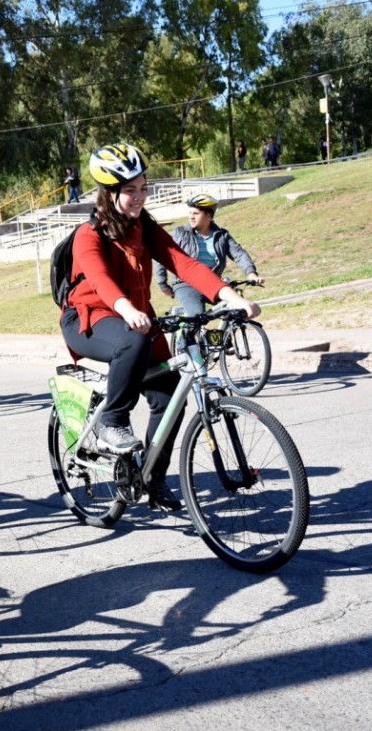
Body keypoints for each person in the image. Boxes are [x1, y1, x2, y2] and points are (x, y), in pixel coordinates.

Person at [59, 144, 260, 511]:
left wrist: (231, 297)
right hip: (89, 317)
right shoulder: (88, 235)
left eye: (143, 188)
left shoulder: (144, 227)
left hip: (136, 318)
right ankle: (111, 421)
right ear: (110, 193)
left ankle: (151, 480)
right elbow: (100, 279)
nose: (139, 197)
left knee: (170, 396)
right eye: (130, 190)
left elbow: (184, 264)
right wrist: (124, 308)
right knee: (132, 343)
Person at [154, 194, 264, 315]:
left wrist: (251, 274)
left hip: (212, 282)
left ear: (208, 216)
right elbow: (161, 256)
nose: (191, 217)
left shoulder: (222, 235)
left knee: (237, 310)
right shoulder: (179, 233)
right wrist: (163, 285)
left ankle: (226, 332)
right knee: (197, 316)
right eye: (190, 213)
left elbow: (239, 254)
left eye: (195, 214)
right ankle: (188, 333)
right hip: (186, 284)